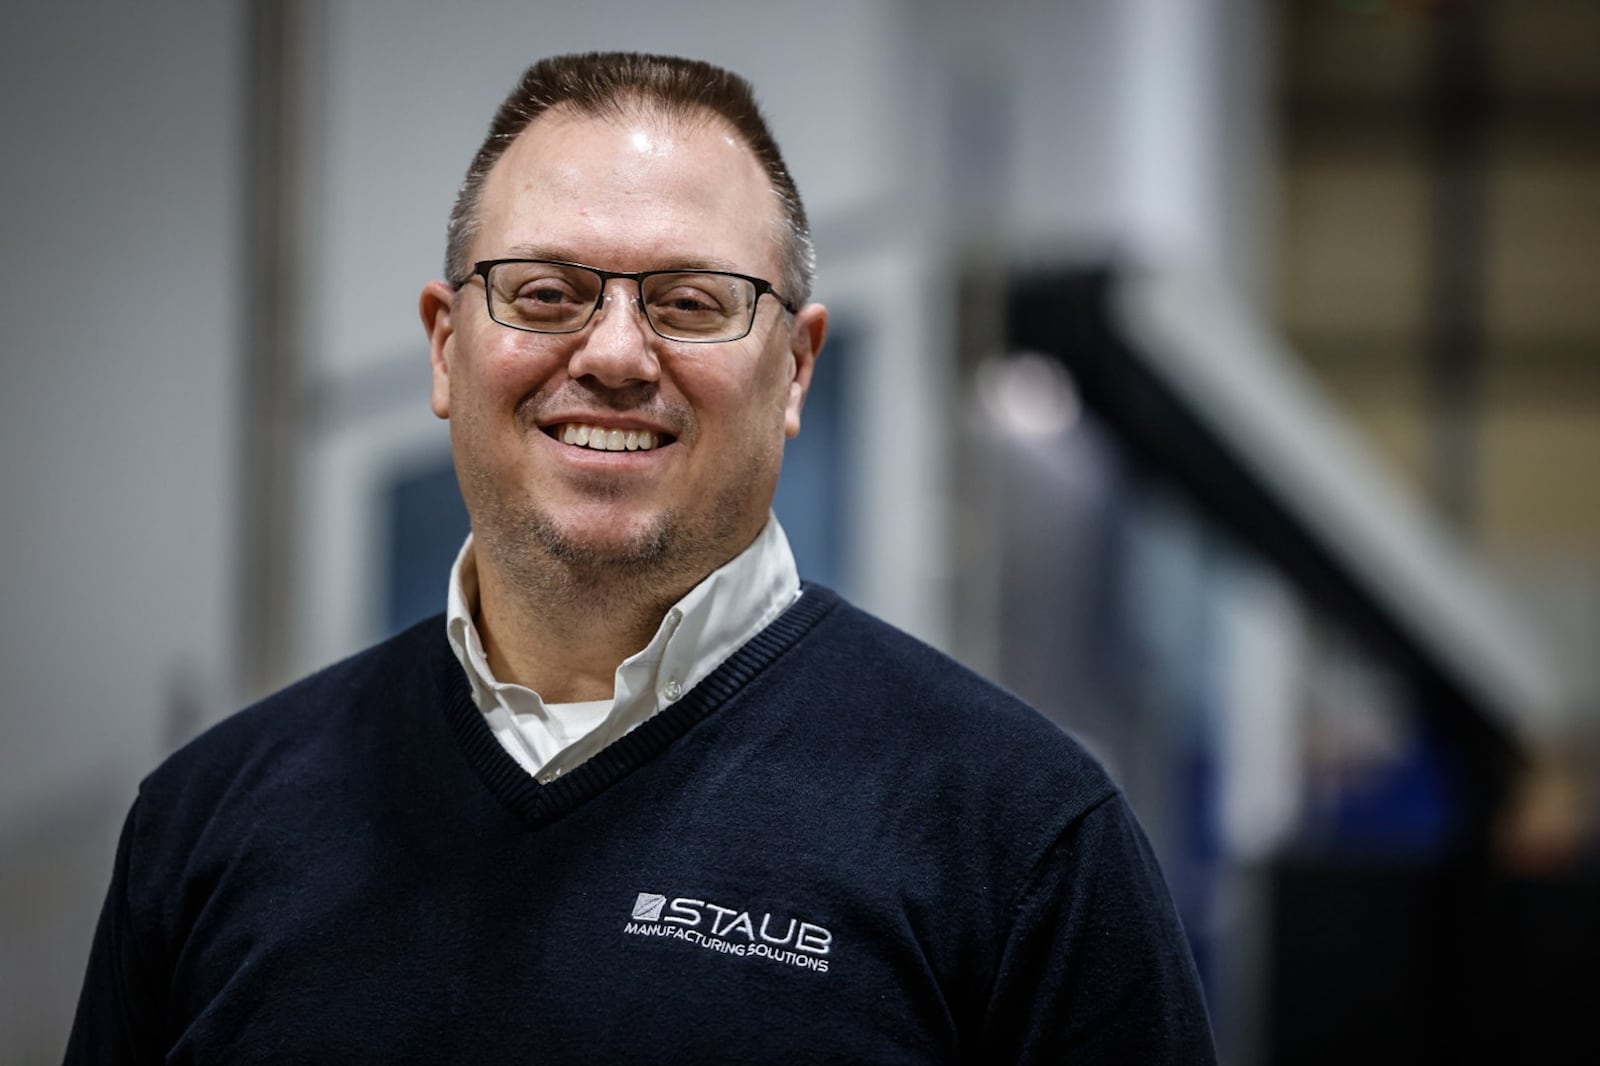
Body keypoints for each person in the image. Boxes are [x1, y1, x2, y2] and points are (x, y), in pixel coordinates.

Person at [65, 52, 1216, 1063]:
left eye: (690, 301)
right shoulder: (208, 817)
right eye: (547, 293)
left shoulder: (1019, 839)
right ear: (445, 348)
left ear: (797, 369)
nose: (614, 353)